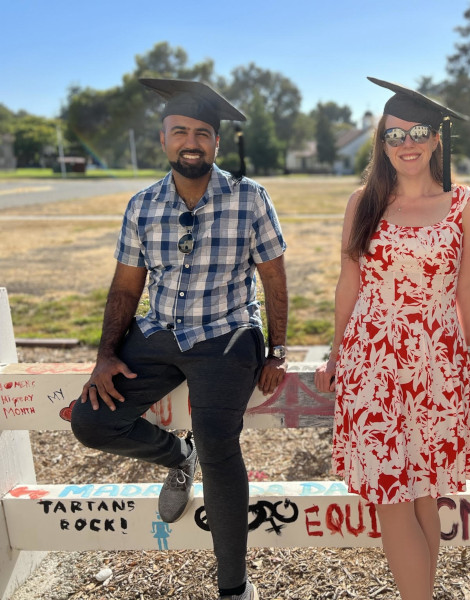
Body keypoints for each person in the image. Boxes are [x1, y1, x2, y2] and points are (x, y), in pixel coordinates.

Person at [71, 78, 288, 600]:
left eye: (202, 133)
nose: (191, 141)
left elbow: (275, 280)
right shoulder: (142, 205)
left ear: (215, 143)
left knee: (219, 446)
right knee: (92, 421)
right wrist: (105, 356)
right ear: (164, 139)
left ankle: (234, 588)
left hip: (226, 335)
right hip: (159, 332)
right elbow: (126, 286)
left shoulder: (249, 198)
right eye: (180, 131)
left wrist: (277, 350)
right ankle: (175, 458)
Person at [314, 77, 470, 600]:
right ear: (382, 143)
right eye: (394, 135)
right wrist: (336, 353)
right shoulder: (363, 204)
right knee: (392, 495)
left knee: (425, 495)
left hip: (438, 361)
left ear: (438, 138)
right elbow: (349, 283)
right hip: (373, 360)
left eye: (418, 132)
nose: (406, 144)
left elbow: (468, 285)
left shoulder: (464, 204)